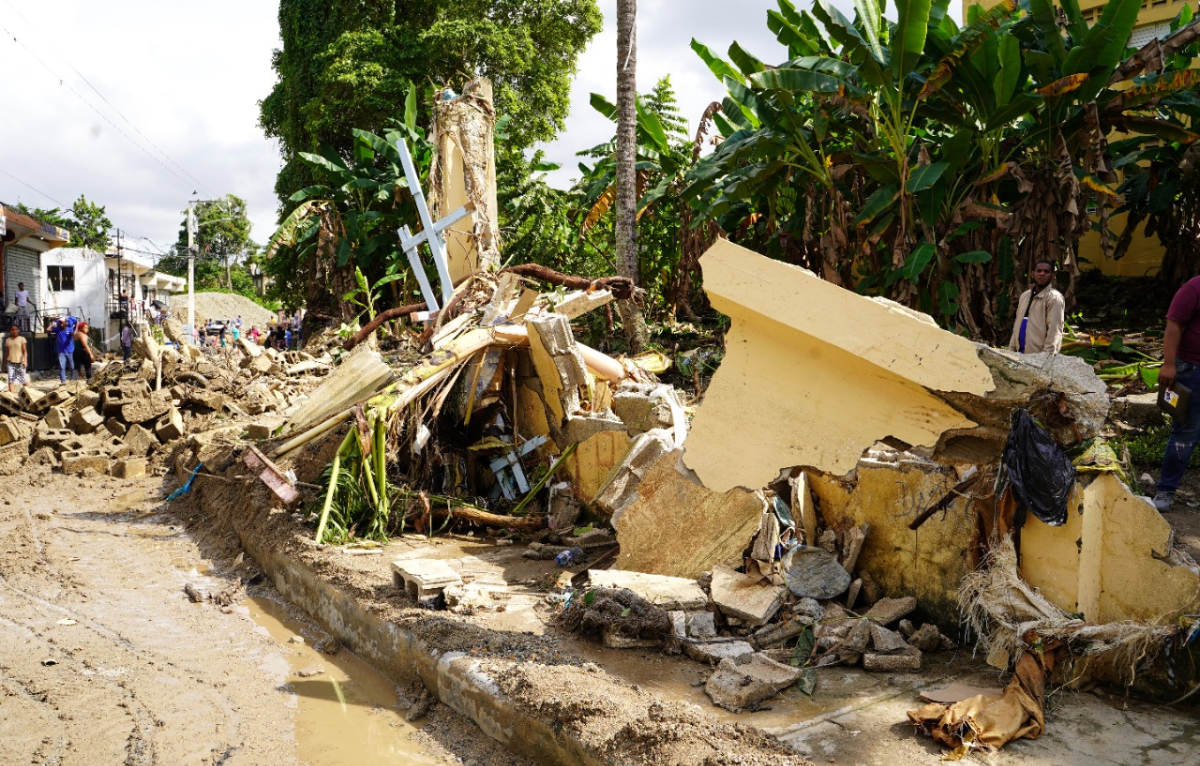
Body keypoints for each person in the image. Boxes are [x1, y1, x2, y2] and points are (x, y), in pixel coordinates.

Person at [1152, 275, 1200, 512]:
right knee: (1186, 433)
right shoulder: (1194, 287)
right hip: (1192, 369)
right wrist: (1169, 364)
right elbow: (1174, 325)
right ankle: (1166, 490)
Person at [1008, 259, 1065, 354]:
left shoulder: (1054, 298)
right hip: (1019, 354)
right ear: (1032, 274)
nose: (1042, 274)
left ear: (1052, 276)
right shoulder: (1025, 296)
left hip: (1038, 357)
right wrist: (1011, 350)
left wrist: (1045, 357)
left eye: (1046, 272)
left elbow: (1054, 331)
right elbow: (1018, 324)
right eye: (1039, 271)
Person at [4, 324, 27, 393]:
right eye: (12, 330)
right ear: (10, 331)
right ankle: (12, 395)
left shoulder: (22, 339)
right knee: (10, 379)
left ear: (18, 330)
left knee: (23, 380)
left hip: (20, 362)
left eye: (16, 330)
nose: (14, 331)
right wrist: (5, 362)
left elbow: (24, 351)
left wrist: (25, 361)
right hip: (10, 362)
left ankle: (28, 393)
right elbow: (7, 352)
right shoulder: (8, 340)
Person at [54, 315, 76, 383]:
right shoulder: (58, 330)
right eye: (60, 322)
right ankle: (63, 381)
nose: (61, 324)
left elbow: (74, 335)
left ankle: (73, 379)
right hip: (61, 351)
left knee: (72, 366)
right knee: (62, 366)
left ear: (66, 323)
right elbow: (48, 330)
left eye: (62, 322)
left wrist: (75, 328)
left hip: (70, 350)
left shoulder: (70, 329)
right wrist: (52, 325)